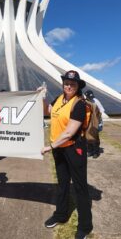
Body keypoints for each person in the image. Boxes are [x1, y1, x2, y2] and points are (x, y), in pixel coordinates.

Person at [41, 70, 93, 239]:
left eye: (72, 84)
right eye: (66, 83)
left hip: (73, 149)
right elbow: (49, 111)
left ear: (78, 86)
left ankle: (85, 226)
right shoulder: (59, 99)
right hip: (59, 149)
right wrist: (41, 97)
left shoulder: (79, 104)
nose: (69, 86)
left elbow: (70, 132)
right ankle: (61, 215)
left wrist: (50, 146)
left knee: (80, 187)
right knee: (63, 184)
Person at [85, 90, 104, 158]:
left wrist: (98, 121)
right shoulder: (84, 101)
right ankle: (90, 151)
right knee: (87, 137)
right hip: (87, 122)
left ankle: (96, 152)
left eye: (92, 97)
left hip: (95, 121)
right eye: (89, 97)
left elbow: (101, 111)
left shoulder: (96, 101)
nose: (91, 99)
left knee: (95, 137)